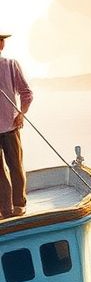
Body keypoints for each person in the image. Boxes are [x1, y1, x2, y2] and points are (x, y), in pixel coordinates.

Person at [0, 31, 33, 220]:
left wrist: (21, 113)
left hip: (11, 126)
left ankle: (18, 205)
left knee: (15, 167)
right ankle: (6, 209)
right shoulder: (11, 64)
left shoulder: (11, 65)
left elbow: (26, 92)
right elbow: (27, 93)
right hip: (10, 125)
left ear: (2, 45)